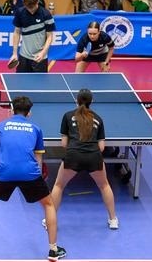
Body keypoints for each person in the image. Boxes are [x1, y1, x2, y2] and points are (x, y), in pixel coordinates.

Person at [0, 95, 65, 261]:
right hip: (30, 173)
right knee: (48, 205)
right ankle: (53, 250)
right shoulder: (36, 129)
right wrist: (37, 177)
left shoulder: (1, 126)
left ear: (12, 110)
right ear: (29, 113)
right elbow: (38, 158)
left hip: (4, 173)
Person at [49, 88, 119, 230]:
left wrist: (76, 149)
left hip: (73, 155)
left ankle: (49, 219)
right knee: (104, 186)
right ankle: (113, 220)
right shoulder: (98, 118)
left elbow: (64, 144)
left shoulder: (67, 116)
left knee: (59, 185)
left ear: (76, 100)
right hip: (94, 156)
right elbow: (101, 147)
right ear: (92, 101)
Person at [10, 0, 55, 74]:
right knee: (20, 81)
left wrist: (43, 53)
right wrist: (14, 53)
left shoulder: (46, 14)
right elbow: (16, 32)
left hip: (40, 57)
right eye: (28, 8)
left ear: (37, 2)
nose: (30, 10)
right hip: (24, 57)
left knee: (40, 83)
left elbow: (50, 36)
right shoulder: (20, 12)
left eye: (32, 7)